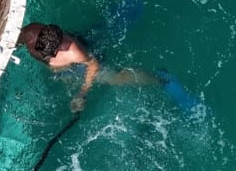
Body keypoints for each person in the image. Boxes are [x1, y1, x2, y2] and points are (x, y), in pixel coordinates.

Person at [17, 21, 163, 113]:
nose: (65, 45)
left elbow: (93, 64)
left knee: (116, 79)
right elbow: (15, 40)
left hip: (82, 64)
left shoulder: (74, 52)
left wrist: (83, 92)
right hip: (63, 68)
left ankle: (160, 79)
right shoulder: (30, 33)